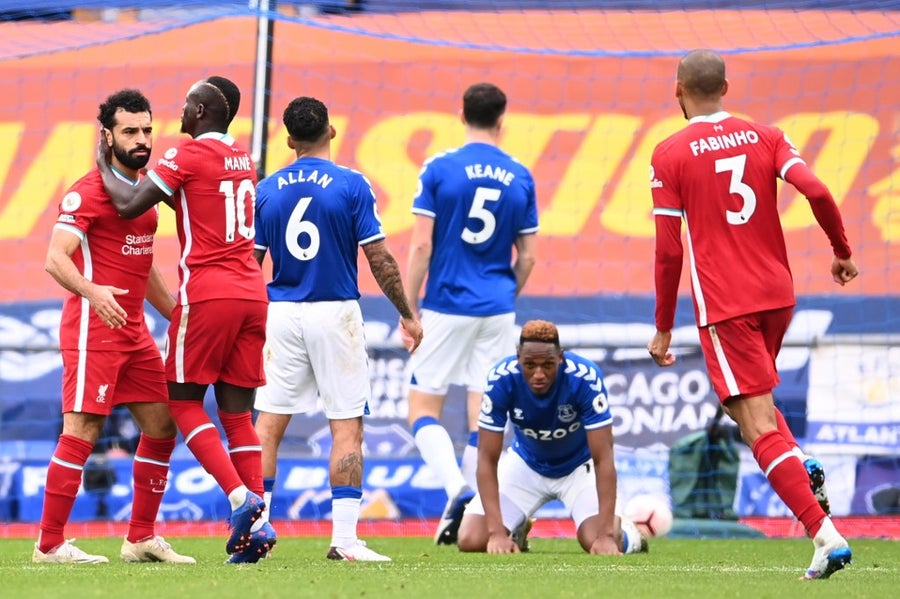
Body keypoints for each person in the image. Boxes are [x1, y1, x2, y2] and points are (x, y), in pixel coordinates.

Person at [646, 49, 858, 580]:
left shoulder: (670, 152)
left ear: (678, 91)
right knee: (747, 409)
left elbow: (669, 250)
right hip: (777, 296)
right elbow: (816, 189)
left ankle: (824, 535)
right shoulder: (767, 136)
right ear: (726, 87)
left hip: (727, 304)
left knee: (755, 425)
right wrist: (841, 250)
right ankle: (801, 462)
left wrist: (664, 325)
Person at [95, 76, 274, 564]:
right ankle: (258, 528)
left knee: (182, 402)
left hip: (209, 292)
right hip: (252, 293)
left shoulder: (187, 154)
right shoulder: (243, 158)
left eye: (186, 103)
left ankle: (241, 499)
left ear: (199, 110)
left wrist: (102, 159)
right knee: (238, 416)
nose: (179, 110)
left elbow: (128, 204)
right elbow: (197, 201)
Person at [252, 96, 423, 562]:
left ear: (289, 141)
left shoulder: (266, 190)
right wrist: (407, 313)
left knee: (267, 425)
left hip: (281, 313)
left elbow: (250, 264)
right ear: (331, 130)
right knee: (346, 425)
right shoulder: (351, 184)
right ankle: (344, 541)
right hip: (335, 313)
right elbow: (379, 257)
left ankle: (255, 536)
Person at [34, 89, 194, 565]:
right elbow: (55, 258)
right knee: (83, 428)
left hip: (133, 332)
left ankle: (140, 537)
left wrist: (178, 314)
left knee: (162, 423)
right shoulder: (86, 191)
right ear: (107, 136)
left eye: (147, 130)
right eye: (130, 131)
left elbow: (143, 266)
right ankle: (49, 544)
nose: (142, 139)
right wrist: (92, 291)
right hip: (93, 329)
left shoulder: (144, 192)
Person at [404, 82, 539, 545]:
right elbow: (528, 256)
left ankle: (457, 490)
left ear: (461, 114)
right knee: (485, 415)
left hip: (445, 303)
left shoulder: (439, 168)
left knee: (423, 408)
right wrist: (505, 294)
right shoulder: (520, 175)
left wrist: (408, 306)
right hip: (497, 308)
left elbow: (421, 245)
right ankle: (474, 510)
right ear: (502, 120)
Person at [456, 320, 647, 556]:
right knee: (471, 539)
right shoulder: (501, 379)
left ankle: (629, 533)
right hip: (525, 465)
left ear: (560, 358)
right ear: (518, 359)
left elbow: (604, 458)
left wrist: (607, 536)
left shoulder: (585, 378)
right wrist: (496, 533)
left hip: (579, 467)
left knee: (597, 542)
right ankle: (515, 531)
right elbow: (486, 459)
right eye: (530, 365)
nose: (539, 374)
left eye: (547, 365)